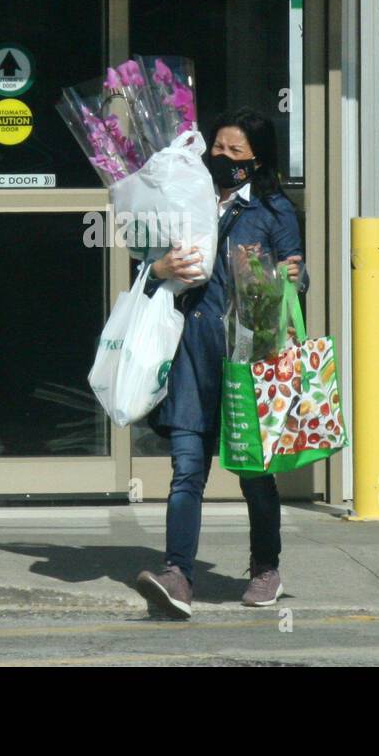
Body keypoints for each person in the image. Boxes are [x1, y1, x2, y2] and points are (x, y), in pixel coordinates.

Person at [134, 107, 305, 619]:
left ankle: (265, 569)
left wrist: (292, 275)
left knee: (253, 471)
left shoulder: (274, 211)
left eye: (235, 152)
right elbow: (146, 267)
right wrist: (157, 266)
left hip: (246, 358)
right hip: (191, 352)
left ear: (256, 160)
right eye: (217, 148)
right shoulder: (186, 201)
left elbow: (296, 282)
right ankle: (177, 575)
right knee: (187, 467)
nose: (222, 158)